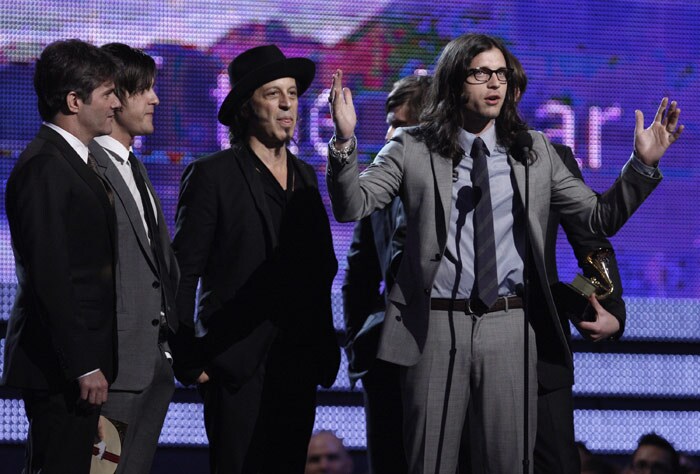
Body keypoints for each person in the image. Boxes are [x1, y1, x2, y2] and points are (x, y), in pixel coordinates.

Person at [326, 32, 683, 473]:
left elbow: (597, 223)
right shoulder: (410, 147)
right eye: (481, 73)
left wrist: (641, 165)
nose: (494, 83)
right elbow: (350, 205)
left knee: (508, 462)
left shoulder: (535, 151)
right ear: (455, 82)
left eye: (500, 73)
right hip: (433, 324)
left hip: (511, 324)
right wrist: (344, 142)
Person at [172, 44, 340, 473]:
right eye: (272, 94)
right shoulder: (212, 174)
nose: (287, 104)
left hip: (297, 362)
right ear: (247, 107)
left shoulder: (305, 175)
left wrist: (324, 346)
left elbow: (322, 267)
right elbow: (182, 272)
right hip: (235, 366)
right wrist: (190, 361)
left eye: (293, 93)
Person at [2, 39, 120, 473]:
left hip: (76, 370)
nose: (116, 104)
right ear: (75, 100)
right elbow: (49, 274)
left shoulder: (73, 161)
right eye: (108, 93)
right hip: (61, 370)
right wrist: (83, 364)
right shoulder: (45, 167)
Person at [88, 42, 178, 474]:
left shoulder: (134, 167)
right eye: (144, 90)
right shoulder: (87, 167)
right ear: (113, 96)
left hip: (151, 369)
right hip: (111, 374)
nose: (155, 99)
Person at [342, 74, 431, 474]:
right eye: (390, 124)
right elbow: (358, 274)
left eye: (402, 125)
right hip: (386, 359)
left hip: (446, 354)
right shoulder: (378, 185)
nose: (391, 133)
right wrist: (363, 336)